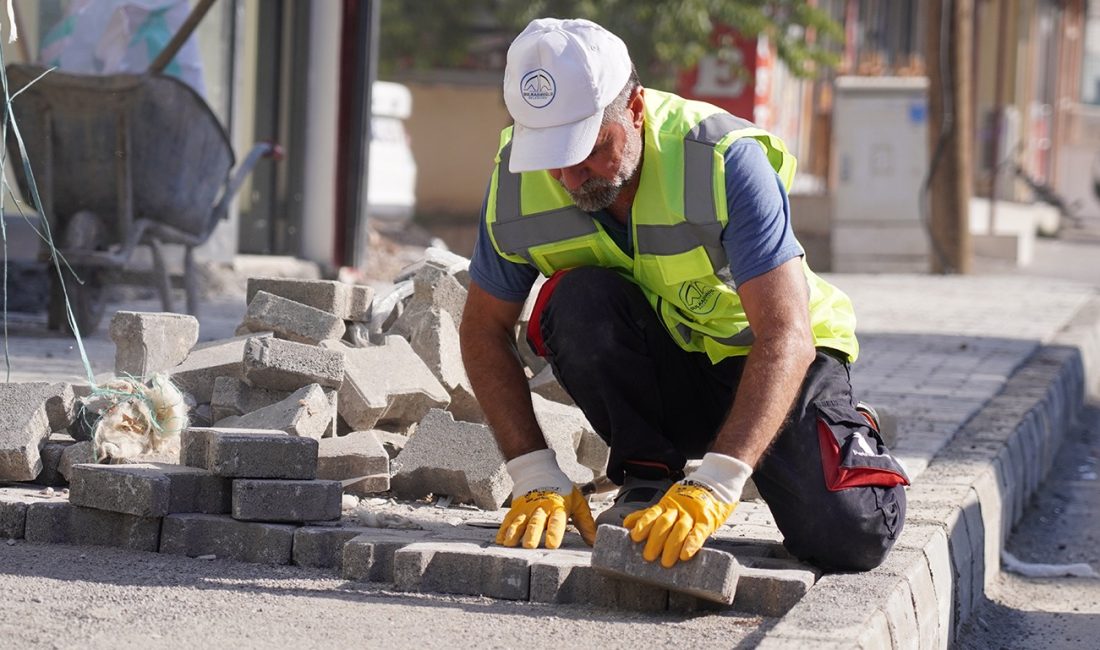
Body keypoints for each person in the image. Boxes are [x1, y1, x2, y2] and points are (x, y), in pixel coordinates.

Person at [459, 17, 909, 571]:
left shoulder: (721, 158)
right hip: (665, 379)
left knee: (849, 537)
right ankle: (647, 474)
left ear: (636, 108)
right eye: (554, 156)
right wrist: (533, 474)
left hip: (770, 367)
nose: (573, 178)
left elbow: (787, 335)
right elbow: (482, 328)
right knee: (576, 300)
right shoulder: (514, 180)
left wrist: (718, 484)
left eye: (591, 148)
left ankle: (833, 427)